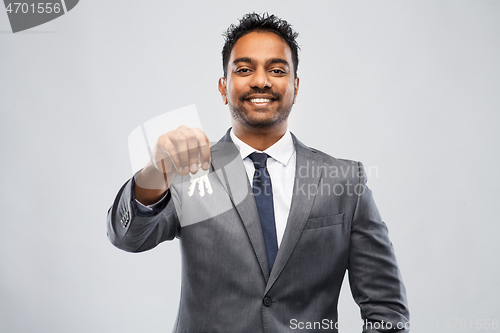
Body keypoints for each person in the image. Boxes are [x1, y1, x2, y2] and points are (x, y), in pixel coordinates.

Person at [107, 12, 410, 333]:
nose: (261, 80)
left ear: (295, 86)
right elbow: (128, 238)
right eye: (244, 69)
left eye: (277, 70)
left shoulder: (346, 181)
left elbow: (386, 309)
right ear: (224, 88)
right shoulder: (185, 171)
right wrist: (157, 170)